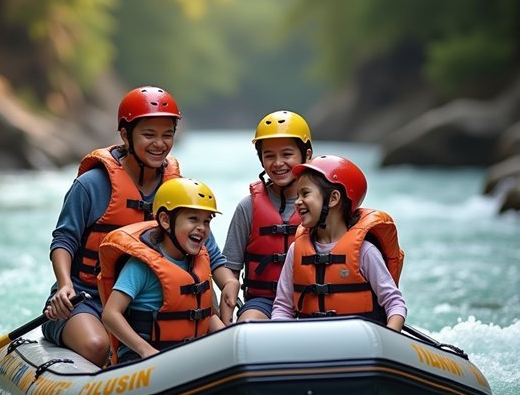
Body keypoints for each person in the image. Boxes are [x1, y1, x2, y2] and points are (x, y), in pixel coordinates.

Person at [43, 86, 238, 366]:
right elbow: (64, 240)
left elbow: (209, 249)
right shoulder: (91, 185)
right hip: (85, 298)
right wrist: (64, 286)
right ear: (125, 135)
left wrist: (229, 282)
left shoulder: (177, 189)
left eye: (167, 135)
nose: (159, 144)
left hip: (148, 300)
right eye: (149, 134)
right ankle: (64, 334)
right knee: (98, 347)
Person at [271, 154, 406, 330]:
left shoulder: (365, 251)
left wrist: (390, 337)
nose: (297, 201)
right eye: (297, 195)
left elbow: (394, 303)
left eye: (305, 193)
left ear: (333, 199)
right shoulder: (296, 250)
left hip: (360, 342)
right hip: (311, 340)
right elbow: (282, 307)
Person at [99, 178, 225, 362]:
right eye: (193, 219)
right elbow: (111, 314)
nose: (202, 228)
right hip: (143, 356)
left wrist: (228, 338)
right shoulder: (141, 266)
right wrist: (145, 351)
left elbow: (206, 315)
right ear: (165, 220)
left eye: (206, 222)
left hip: (185, 356)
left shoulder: (197, 262)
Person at [221, 110, 313, 323]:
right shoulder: (248, 207)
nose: (278, 163)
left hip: (312, 298)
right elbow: (230, 269)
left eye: (287, 154)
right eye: (269, 155)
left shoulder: (323, 206)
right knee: (249, 321)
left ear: (306, 155)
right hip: (263, 301)